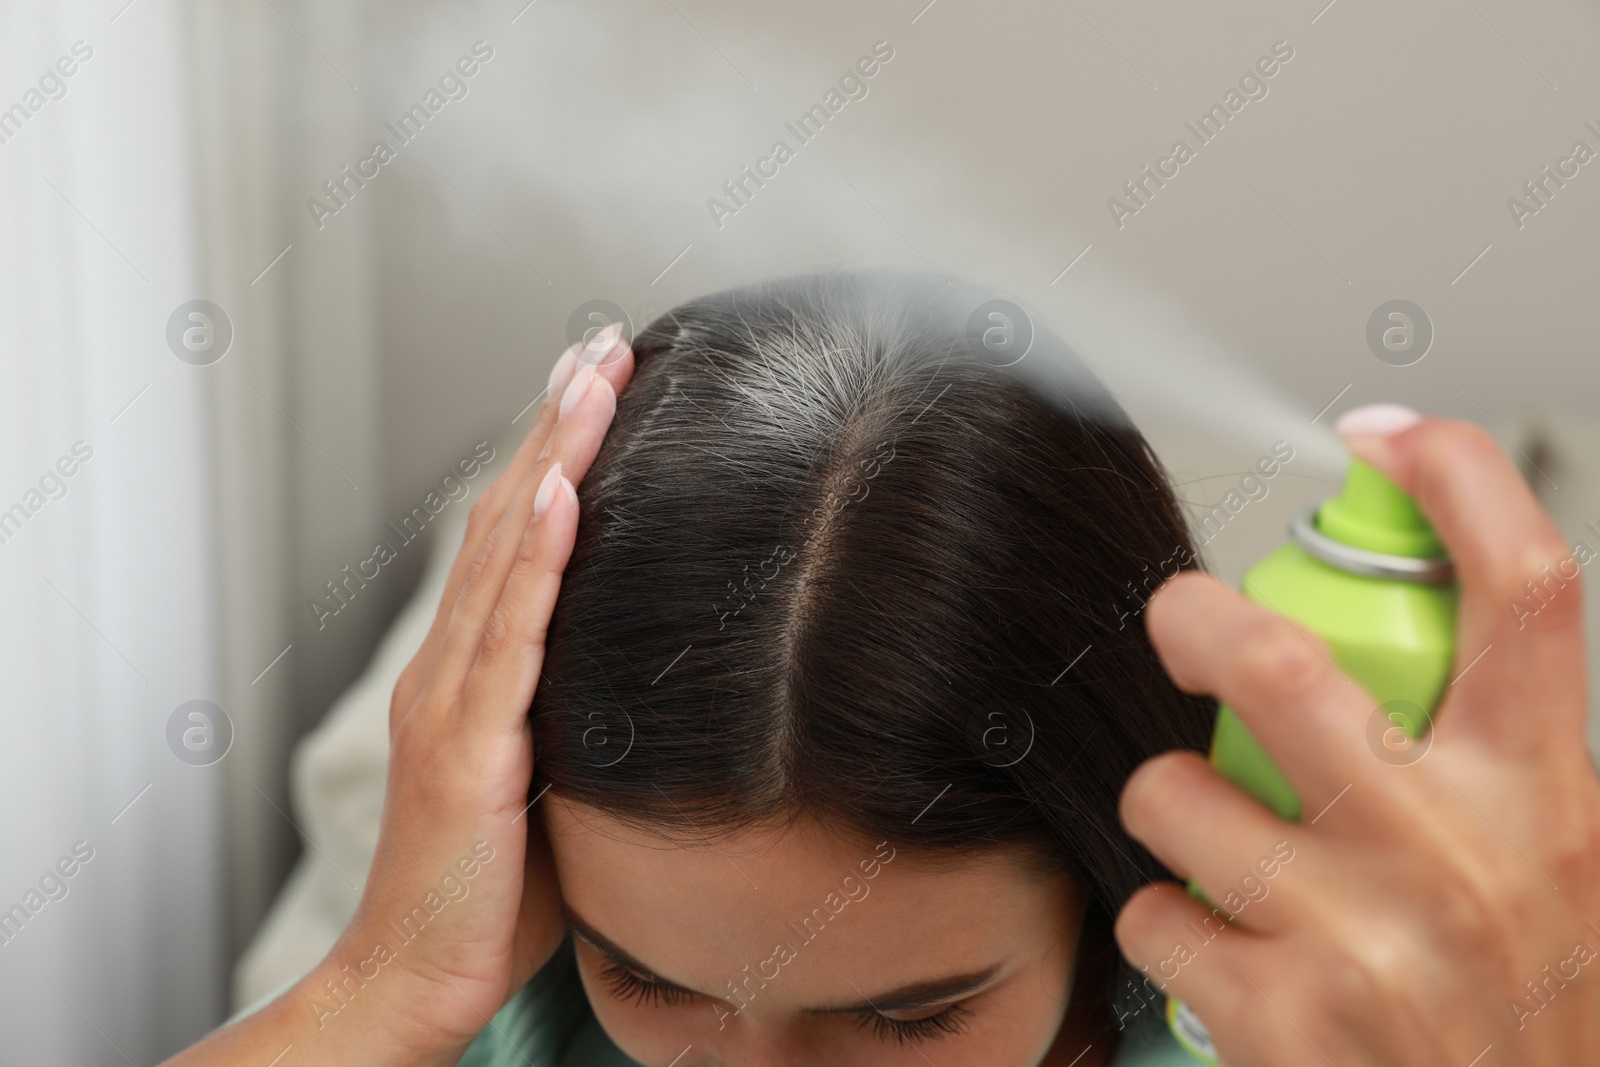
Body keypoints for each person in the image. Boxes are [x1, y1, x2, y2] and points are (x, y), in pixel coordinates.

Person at [163, 273, 1600, 1067]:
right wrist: (378, 991)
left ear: (1109, 907)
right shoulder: (493, 1022)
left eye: (907, 1018)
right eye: (651, 982)